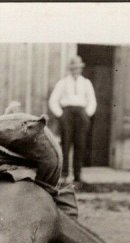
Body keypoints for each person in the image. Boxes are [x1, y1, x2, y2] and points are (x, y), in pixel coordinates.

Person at [48, 55, 97, 185]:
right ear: (70, 69)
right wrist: (61, 115)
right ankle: (64, 175)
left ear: (81, 69)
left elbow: (92, 101)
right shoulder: (63, 83)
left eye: (78, 68)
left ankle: (77, 176)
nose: (75, 70)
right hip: (67, 114)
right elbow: (53, 100)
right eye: (73, 68)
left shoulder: (86, 83)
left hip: (81, 114)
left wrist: (87, 114)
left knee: (80, 145)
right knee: (65, 144)